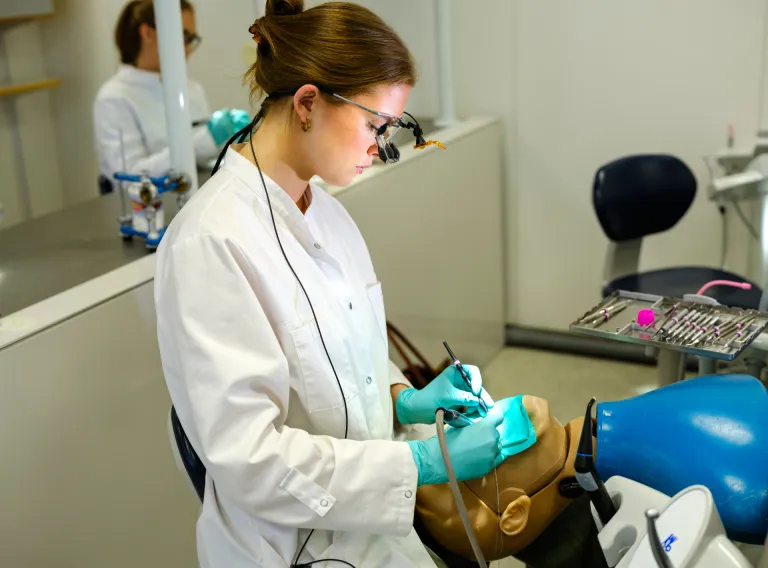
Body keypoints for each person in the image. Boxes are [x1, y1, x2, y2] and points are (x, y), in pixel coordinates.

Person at [154, 1, 515, 567]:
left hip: (370, 524)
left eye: (393, 128)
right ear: (306, 104)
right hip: (287, 546)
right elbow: (252, 460)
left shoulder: (328, 215)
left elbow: (352, 363)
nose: (383, 146)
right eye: (376, 126)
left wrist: (407, 399)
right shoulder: (211, 242)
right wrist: (422, 464)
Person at [93, 0, 250, 194]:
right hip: (150, 212)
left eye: (191, 39)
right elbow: (129, 178)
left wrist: (232, 142)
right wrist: (206, 139)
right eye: (183, 37)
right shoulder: (114, 98)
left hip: (200, 199)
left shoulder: (191, 89)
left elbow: (210, 160)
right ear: (147, 33)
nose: (187, 50)